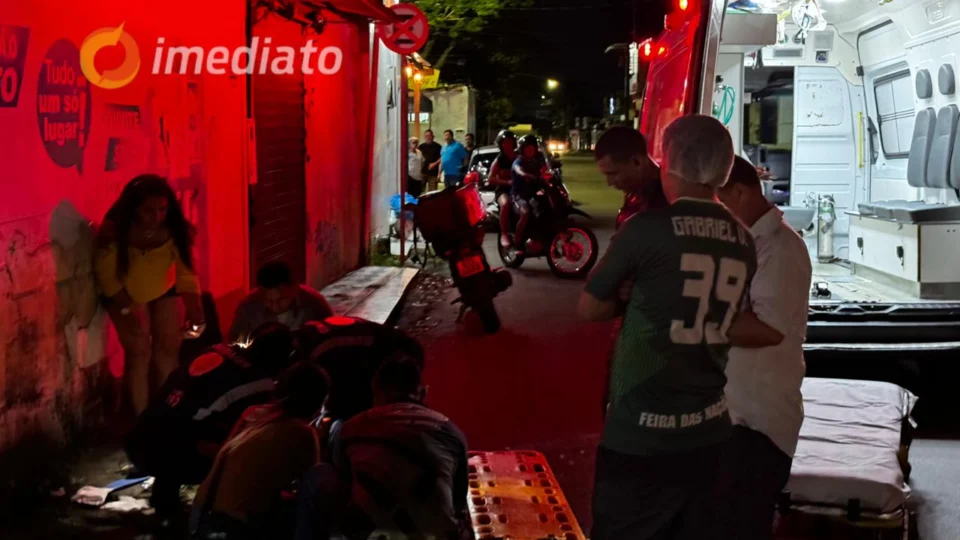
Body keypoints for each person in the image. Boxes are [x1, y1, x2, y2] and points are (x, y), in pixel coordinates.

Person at [578, 115, 757, 540]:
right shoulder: (743, 238)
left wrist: (632, 293)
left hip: (642, 430)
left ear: (672, 162)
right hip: (711, 430)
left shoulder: (645, 230)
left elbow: (590, 307)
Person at [714, 157, 812, 540]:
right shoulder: (751, 244)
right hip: (739, 414)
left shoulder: (780, 248)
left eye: (720, 202)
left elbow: (768, 330)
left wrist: (696, 322)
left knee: (741, 524)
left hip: (759, 423)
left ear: (739, 193)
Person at [124, 322, 296, 520]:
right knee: (241, 447)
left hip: (138, 437)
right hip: (162, 454)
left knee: (180, 424)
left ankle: (164, 496)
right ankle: (214, 505)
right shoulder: (259, 385)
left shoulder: (218, 349)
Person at [296, 354, 470, 540]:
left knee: (318, 474)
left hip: (371, 534)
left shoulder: (353, 427)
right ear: (422, 393)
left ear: (375, 393)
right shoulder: (450, 430)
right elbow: (459, 501)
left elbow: (344, 482)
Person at [95, 174, 205, 415]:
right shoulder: (115, 229)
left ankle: (167, 412)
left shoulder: (175, 228)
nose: (156, 217)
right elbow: (107, 275)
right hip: (123, 295)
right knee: (139, 351)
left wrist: (195, 310)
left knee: (167, 349)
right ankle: (141, 417)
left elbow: (186, 273)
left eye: (162, 210)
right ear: (134, 209)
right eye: (149, 211)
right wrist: (128, 307)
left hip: (163, 291)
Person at [190, 361, 330, 539]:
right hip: (236, 527)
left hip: (202, 512)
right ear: (317, 400)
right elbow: (311, 489)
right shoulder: (302, 433)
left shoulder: (253, 413)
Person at [593, 126, 669, 418]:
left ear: (638, 161)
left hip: (653, 323)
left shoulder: (665, 198)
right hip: (630, 314)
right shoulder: (636, 194)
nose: (611, 183)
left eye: (614, 174)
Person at [229, 261, 333, 344]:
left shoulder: (314, 304)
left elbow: (329, 341)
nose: (274, 307)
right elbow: (234, 346)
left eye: (281, 299)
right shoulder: (248, 309)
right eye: (268, 301)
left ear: (295, 289)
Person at [510, 134, 546, 253]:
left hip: (532, 194)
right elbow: (518, 169)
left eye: (532, 148)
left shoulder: (536, 161)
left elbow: (545, 170)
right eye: (527, 148)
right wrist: (524, 174)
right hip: (518, 196)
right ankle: (517, 243)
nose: (530, 150)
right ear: (522, 149)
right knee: (525, 212)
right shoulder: (518, 162)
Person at [489, 129, 519, 248]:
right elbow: (491, 178)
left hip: (519, 190)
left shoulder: (519, 157)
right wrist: (506, 182)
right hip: (503, 190)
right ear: (501, 144)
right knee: (506, 204)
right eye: (505, 142)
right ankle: (504, 233)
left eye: (510, 142)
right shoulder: (499, 160)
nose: (508, 144)